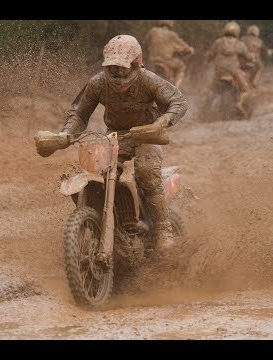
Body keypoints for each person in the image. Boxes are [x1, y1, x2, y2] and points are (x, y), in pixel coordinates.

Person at [35, 34, 188, 251]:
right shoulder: (97, 82)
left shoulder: (149, 80)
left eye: (122, 68)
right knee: (96, 169)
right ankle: (103, 221)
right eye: (112, 68)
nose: (117, 73)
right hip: (116, 135)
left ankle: (163, 228)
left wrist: (160, 124)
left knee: (145, 170)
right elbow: (79, 113)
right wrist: (64, 135)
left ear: (135, 64)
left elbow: (178, 102)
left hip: (146, 135)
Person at [205, 21, 255, 115]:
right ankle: (239, 104)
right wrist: (252, 57)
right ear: (237, 31)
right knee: (246, 90)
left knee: (211, 90)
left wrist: (208, 60)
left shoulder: (218, 42)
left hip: (219, 72)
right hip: (234, 73)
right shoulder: (239, 44)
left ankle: (204, 110)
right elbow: (248, 56)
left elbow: (210, 55)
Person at [143, 20, 194, 87]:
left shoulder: (153, 31)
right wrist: (190, 50)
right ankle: (176, 88)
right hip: (167, 61)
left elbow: (145, 43)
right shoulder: (172, 35)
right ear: (171, 23)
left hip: (153, 61)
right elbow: (185, 47)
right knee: (181, 67)